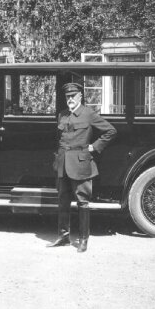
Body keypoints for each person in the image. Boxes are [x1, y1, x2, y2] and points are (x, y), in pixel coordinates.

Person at [48, 82, 117, 253]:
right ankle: (63, 236)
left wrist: (95, 146)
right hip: (63, 164)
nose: (70, 99)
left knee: (82, 202)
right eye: (67, 96)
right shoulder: (62, 115)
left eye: (73, 96)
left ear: (80, 96)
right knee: (63, 201)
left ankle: (83, 240)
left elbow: (111, 131)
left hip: (80, 163)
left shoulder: (89, 114)